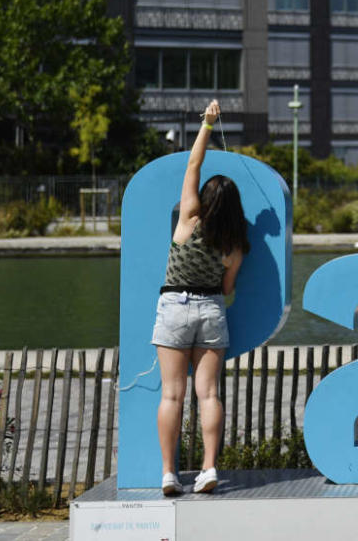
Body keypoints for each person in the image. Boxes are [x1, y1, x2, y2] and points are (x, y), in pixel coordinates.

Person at [152, 100, 249, 495]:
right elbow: (228, 290)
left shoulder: (189, 218)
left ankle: (169, 473)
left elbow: (192, 166)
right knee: (208, 393)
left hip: (174, 305)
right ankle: (208, 469)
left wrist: (208, 124)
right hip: (210, 310)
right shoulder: (235, 245)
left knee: (172, 393)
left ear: (207, 201)